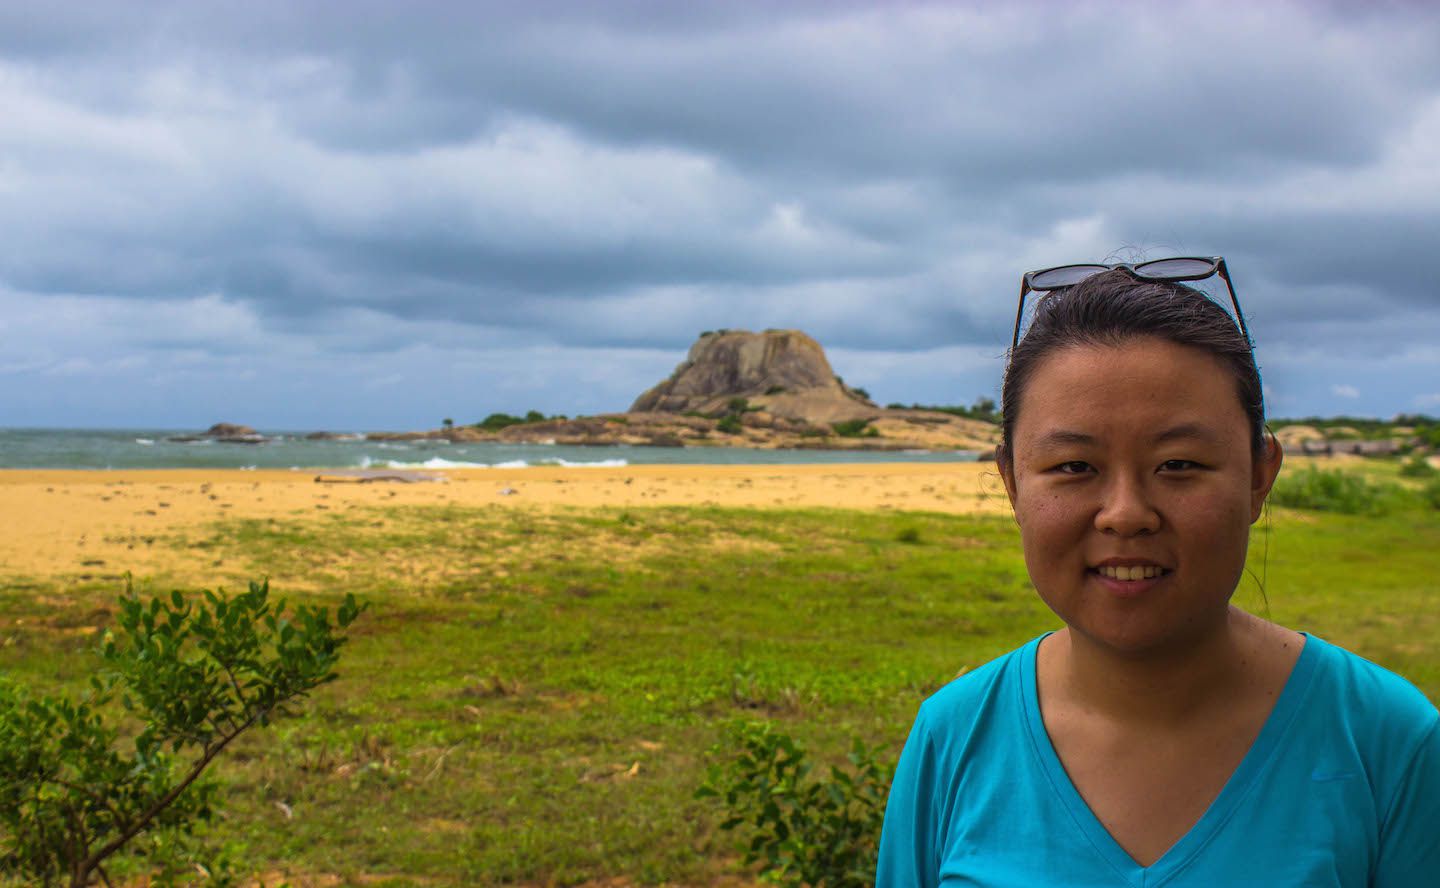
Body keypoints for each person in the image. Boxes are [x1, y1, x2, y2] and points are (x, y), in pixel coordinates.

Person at [876, 260, 1440, 886]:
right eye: (1073, 466)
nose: (1125, 515)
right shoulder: (953, 738)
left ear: (1260, 477)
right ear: (1011, 484)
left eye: (1178, 463)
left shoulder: (1388, 742)